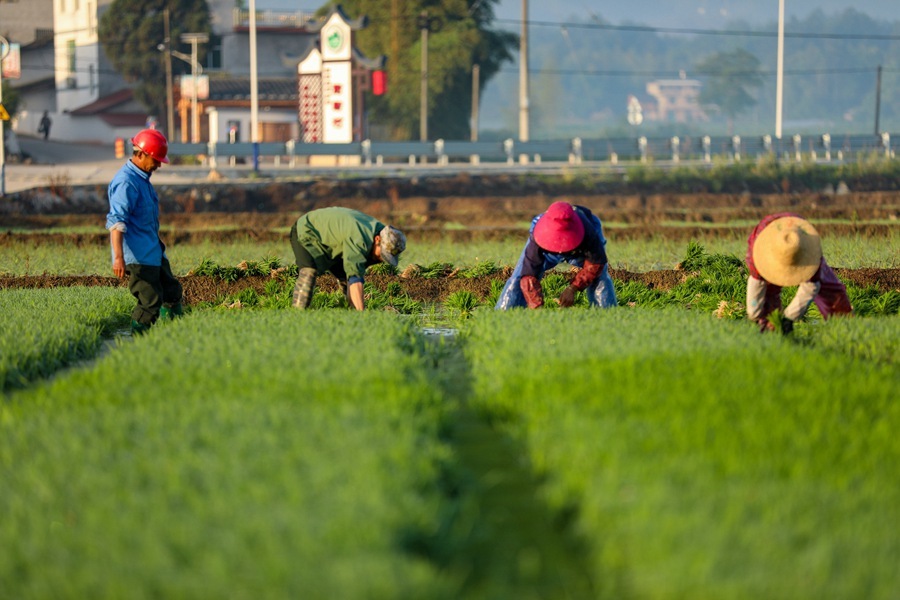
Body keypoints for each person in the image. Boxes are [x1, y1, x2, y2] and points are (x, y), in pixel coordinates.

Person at [106, 128, 183, 335]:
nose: (158, 164)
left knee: (172, 292)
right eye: (155, 159)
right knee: (150, 301)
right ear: (140, 154)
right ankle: (136, 340)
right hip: (138, 257)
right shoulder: (126, 182)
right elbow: (116, 222)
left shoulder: (142, 179)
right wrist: (118, 258)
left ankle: (178, 332)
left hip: (153, 251)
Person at [496, 200, 618, 310]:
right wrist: (536, 305)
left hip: (580, 250)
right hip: (547, 251)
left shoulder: (588, 229)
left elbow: (595, 265)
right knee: (519, 276)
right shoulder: (539, 233)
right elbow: (528, 273)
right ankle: (504, 315)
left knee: (599, 277)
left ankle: (607, 314)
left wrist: (573, 288)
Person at [746, 212, 852, 334]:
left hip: (799, 235)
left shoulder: (808, 250)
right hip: (768, 238)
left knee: (832, 294)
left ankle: (845, 327)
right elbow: (756, 284)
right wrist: (755, 315)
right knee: (768, 295)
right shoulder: (759, 252)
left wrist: (788, 318)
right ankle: (768, 328)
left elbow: (811, 287)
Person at [289, 207, 407, 311]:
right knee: (309, 271)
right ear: (377, 240)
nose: (381, 259)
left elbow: (352, 278)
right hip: (308, 230)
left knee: (346, 278)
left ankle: (348, 313)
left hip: (335, 241)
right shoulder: (360, 240)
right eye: (382, 254)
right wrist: (362, 318)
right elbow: (355, 278)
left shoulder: (383, 232)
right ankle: (297, 316)